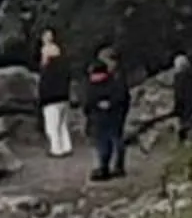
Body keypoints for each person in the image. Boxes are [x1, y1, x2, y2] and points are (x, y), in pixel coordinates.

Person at [84, 47, 132, 180]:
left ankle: (112, 165)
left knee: (110, 139)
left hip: (112, 112)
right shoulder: (115, 76)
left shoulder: (115, 77)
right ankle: (114, 165)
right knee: (114, 138)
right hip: (114, 111)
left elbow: (90, 99)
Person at [36, 31, 76, 159]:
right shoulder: (63, 66)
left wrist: (41, 97)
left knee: (52, 127)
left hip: (51, 100)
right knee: (63, 125)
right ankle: (67, 147)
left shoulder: (47, 71)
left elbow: (44, 86)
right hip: (64, 98)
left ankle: (56, 149)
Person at [170, 50, 192, 143]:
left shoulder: (178, 79)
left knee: (187, 132)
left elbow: (178, 96)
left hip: (185, 113)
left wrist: (177, 109)